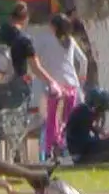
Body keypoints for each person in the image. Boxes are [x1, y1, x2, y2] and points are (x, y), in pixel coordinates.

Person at [0, 2, 56, 154]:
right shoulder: (24, 39)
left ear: (10, 17)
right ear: (25, 19)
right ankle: (16, 151)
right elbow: (36, 67)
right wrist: (51, 81)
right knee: (18, 117)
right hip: (15, 87)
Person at [31, 13, 87, 162]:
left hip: (54, 86)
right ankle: (66, 148)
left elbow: (33, 58)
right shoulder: (70, 41)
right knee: (67, 121)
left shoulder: (44, 40)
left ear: (53, 26)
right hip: (71, 85)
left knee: (52, 121)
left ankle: (49, 152)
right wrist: (81, 78)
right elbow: (83, 61)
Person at [64, 88, 109, 165]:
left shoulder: (83, 110)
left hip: (81, 151)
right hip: (80, 155)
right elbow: (89, 141)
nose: (102, 114)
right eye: (102, 110)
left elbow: (99, 132)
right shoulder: (84, 113)